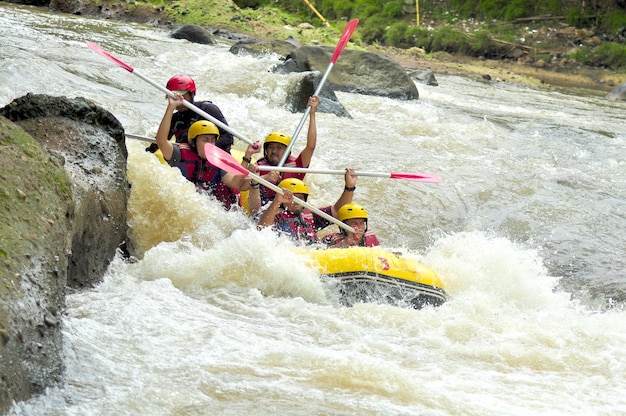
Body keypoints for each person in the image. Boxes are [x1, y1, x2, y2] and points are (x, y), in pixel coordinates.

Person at [155, 116, 250, 209]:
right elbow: (161, 140)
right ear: (193, 142)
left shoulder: (217, 162)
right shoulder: (178, 154)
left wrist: (248, 156)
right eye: (205, 140)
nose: (209, 144)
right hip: (181, 205)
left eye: (212, 140)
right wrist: (171, 107)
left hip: (205, 208)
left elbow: (236, 184)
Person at [241, 95, 320, 206]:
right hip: (265, 208)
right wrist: (264, 178)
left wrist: (312, 114)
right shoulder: (260, 164)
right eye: (271, 147)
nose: (274, 151)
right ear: (266, 150)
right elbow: (241, 185)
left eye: (279, 148)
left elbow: (310, 147)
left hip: (289, 209)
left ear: (287, 151)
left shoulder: (297, 165)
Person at [256, 169, 357, 246]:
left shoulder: (309, 215)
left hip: (311, 251)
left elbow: (336, 212)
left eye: (300, 198)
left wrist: (349, 187)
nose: (296, 202)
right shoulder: (274, 214)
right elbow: (262, 229)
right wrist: (277, 201)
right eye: (292, 198)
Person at [147, 74, 234, 153]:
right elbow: (161, 141)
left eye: (183, 97)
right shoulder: (175, 118)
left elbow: (228, 137)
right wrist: (148, 152)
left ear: (192, 94)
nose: (179, 101)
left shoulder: (207, 109)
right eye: (174, 98)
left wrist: (202, 150)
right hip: (189, 161)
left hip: (212, 157)